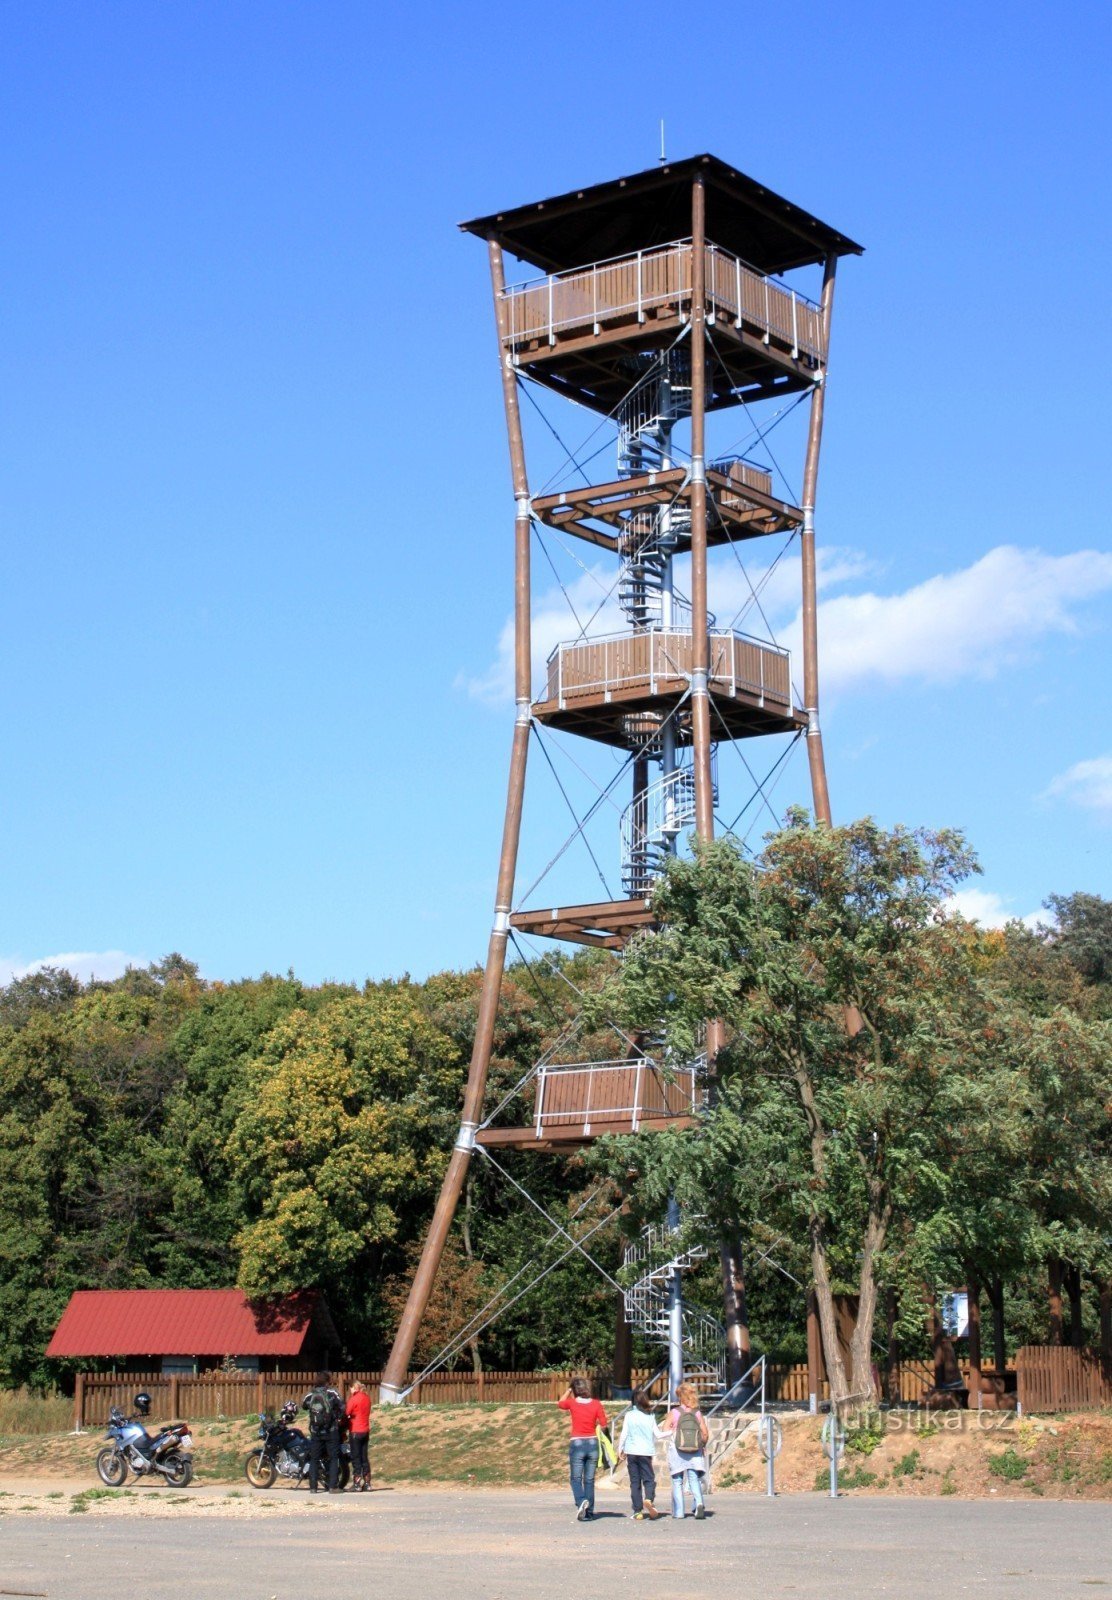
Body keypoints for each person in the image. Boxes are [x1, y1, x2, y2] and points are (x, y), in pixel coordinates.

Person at [557, 1377, 608, 1521]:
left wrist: (568, 1390)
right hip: (592, 1443)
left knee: (575, 1478)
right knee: (589, 1480)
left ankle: (581, 1501)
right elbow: (604, 1424)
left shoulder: (572, 1403)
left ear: (574, 1390)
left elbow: (560, 1403)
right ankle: (590, 1512)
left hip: (577, 1442)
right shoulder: (597, 1404)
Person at [663, 1381, 709, 1519]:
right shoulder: (697, 1413)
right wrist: (702, 1445)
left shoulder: (674, 1412)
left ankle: (678, 1512)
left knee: (677, 1480)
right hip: (695, 1449)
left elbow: (665, 1430)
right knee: (693, 1478)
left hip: (678, 1449)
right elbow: (705, 1434)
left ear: (681, 1397)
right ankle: (699, 1503)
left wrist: (674, 1430)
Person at [617, 1387, 661, 1520]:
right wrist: (671, 1432)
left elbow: (624, 1433)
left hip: (631, 1452)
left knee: (635, 1481)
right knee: (648, 1478)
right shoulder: (650, 1416)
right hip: (645, 1452)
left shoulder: (629, 1415)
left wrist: (620, 1448)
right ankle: (648, 1498)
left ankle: (637, 1511)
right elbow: (658, 1434)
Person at [302, 1370, 343, 1494]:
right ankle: (332, 1486)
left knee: (314, 1459)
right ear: (328, 1381)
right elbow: (342, 1406)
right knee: (333, 1458)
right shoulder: (332, 1393)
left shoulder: (310, 1395)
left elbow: (303, 1405)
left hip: (315, 1431)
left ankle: (313, 1487)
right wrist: (337, 1417)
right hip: (331, 1431)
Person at [345, 1380, 371, 1491]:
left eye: (350, 1389)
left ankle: (356, 1483)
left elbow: (346, 1413)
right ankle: (367, 1482)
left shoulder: (354, 1399)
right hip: (365, 1429)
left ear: (353, 1388)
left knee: (356, 1457)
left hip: (355, 1430)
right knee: (364, 1457)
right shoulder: (367, 1398)